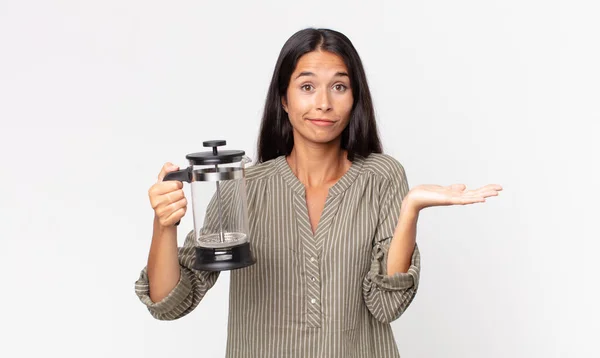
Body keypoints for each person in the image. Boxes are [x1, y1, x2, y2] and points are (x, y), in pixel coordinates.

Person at [135, 28, 502, 357]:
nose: (324, 103)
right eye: (307, 86)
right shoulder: (243, 188)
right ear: (284, 98)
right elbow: (170, 304)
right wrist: (163, 225)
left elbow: (386, 305)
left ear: (355, 97)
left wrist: (410, 209)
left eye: (339, 86)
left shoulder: (381, 176)